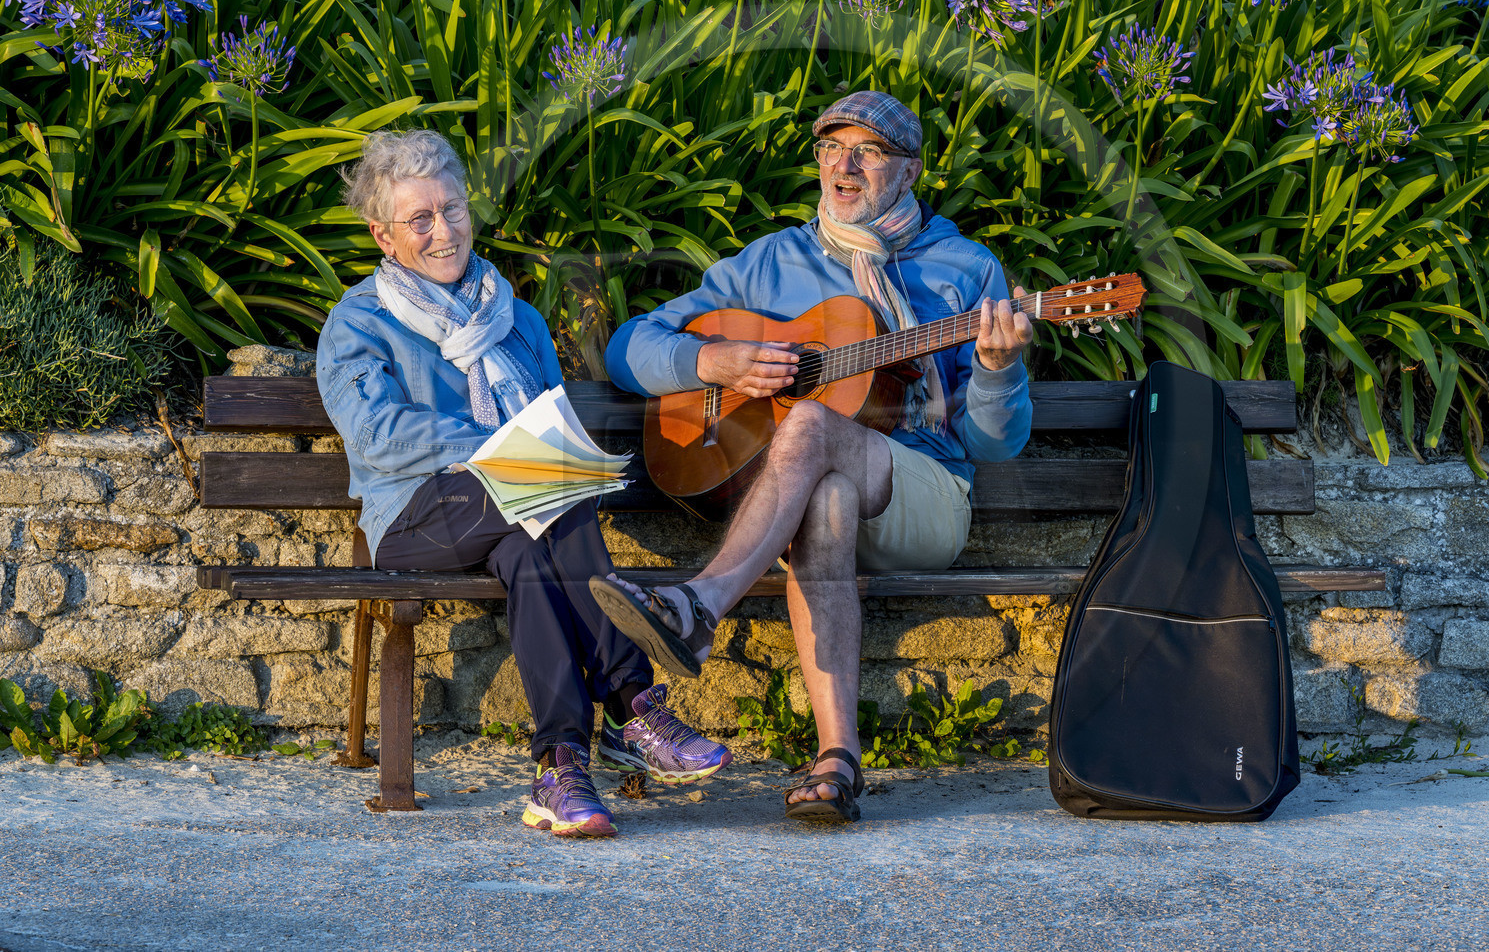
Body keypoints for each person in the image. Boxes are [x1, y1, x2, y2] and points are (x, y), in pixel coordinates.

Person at [592, 91, 1034, 823]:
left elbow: (994, 443)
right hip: (819, 496)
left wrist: (997, 368)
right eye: (832, 148)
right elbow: (627, 346)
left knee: (805, 427)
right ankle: (837, 758)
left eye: (868, 151)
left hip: (922, 493)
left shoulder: (964, 267)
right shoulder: (773, 263)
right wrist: (714, 361)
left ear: (911, 171)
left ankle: (698, 605)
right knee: (822, 488)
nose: (845, 165)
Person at [316, 129, 728, 838]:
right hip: (414, 517)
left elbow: (551, 424)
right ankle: (633, 704)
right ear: (385, 236)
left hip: (517, 518)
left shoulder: (518, 320)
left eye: (452, 210)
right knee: (543, 482)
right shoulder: (359, 322)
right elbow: (378, 434)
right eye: (421, 219)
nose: (444, 232)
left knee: (535, 546)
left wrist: (528, 457)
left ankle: (560, 765)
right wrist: (496, 449)